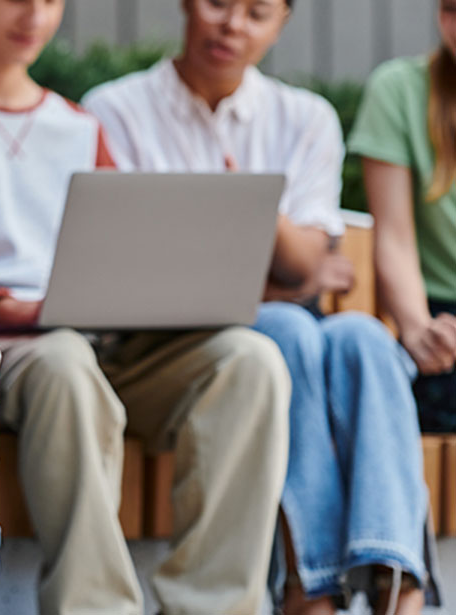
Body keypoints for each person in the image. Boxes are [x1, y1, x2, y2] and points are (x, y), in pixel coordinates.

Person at [0, 0, 292, 613]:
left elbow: (121, 251)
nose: (34, 14)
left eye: (52, 0)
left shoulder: (79, 124)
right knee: (63, 362)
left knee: (251, 359)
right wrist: (19, 308)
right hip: (5, 347)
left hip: (107, 337)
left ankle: (214, 605)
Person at [84, 1, 437, 613]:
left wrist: (241, 204)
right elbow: (140, 271)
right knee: (286, 327)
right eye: (218, 3)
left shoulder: (304, 116)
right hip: (181, 344)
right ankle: (311, 583)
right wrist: (278, 258)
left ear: (282, 25)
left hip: (284, 323)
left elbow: (305, 266)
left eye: (258, 12)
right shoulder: (113, 111)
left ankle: (397, 582)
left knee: (364, 338)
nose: (233, 25)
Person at [349, 0, 456, 435]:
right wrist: (417, 330)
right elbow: (393, 233)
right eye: (451, 9)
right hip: (440, 310)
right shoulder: (400, 88)